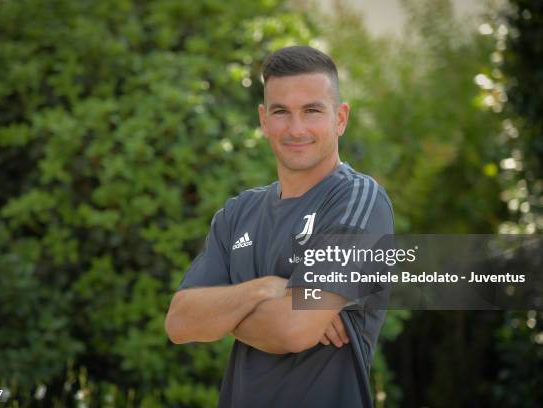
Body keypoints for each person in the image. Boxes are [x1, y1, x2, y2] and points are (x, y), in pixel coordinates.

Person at [165, 45, 394, 408]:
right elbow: (180, 321)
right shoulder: (238, 213)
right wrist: (264, 290)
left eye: (312, 110)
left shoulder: (358, 200)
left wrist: (223, 315)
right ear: (264, 119)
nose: (296, 128)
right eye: (281, 112)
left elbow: (293, 329)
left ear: (340, 118)